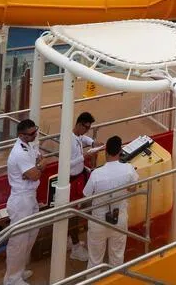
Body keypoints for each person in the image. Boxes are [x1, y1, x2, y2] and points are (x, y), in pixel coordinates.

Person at [82, 135, 139, 268]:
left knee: (95, 260)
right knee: (117, 257)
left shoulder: (96, 174)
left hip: (98, 220)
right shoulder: (129, 169)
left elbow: (86, 196)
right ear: (120, 152)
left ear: (106, 152)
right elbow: (132, 189)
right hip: (119, 218)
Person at [4, 119, 50, 285]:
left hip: (30, 196)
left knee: (31, 236)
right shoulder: (19, 153)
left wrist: (36, 167)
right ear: (21, 135)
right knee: (19, 241)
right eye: (31, 133)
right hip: (21, 199)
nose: (35, 134)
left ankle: (19, 271)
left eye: (35, 131)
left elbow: (39, 163)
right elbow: (35, 174)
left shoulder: (30, 144)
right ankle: (12, 279)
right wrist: (38, 167)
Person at [67, 111, 103, 261]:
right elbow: (66, 164)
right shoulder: (69, 141)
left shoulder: (76, 136)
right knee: (73, 213)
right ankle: (75, 247)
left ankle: (71, 240)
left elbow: (83, 138)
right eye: (86, 128)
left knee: (76, 211)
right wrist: (84, 156)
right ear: (79, 124)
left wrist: (92, 143)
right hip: (72, 179)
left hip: (78, 177)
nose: (87, 131)